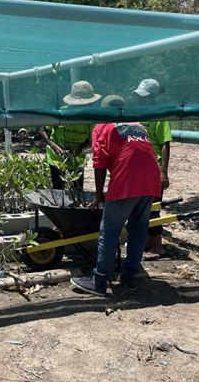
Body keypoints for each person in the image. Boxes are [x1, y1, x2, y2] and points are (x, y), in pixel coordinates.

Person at [70, 115, 160, 296]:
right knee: (138, 231)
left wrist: (98, 196)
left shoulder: (102, 126)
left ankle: (99, 281)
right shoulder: (139, 125)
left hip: (127, 179)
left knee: (109, 232)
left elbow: (99, 162)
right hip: (151, 179)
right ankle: (128, 279)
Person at [132, 78, 172, 259]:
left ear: (154, 97)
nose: (141, 100)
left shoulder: (160, 116)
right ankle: (148, 241)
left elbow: (165, 144)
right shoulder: (138, 114)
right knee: (142, 207)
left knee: (154, 208)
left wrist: (163, 172)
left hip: (153, 169)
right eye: (139, 97)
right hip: (139, 169)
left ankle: (158, 247)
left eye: (145, 97)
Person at [39, 81, 101, 191]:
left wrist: (80, 148)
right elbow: (42, 129)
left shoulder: (90, 118)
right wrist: (55, 147)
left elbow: (91, 140)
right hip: (56, 159)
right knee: (58, 190)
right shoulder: (62, 113)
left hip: (77, 158)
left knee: (77, 191)